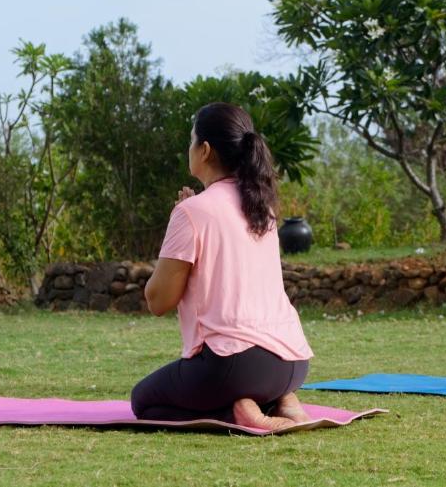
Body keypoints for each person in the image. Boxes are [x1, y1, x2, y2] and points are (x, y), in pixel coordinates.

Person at [130, 102, 313, 430]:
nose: (189, 149)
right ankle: (282, 399)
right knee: (240, 379)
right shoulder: (263, 210)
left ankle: (239, 412)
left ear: (205, 150)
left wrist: (181, 223)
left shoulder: (191, 213)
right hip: (293, 363)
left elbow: (158, 301)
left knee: (144, 400)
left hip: (234, 367)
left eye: (191, 141)